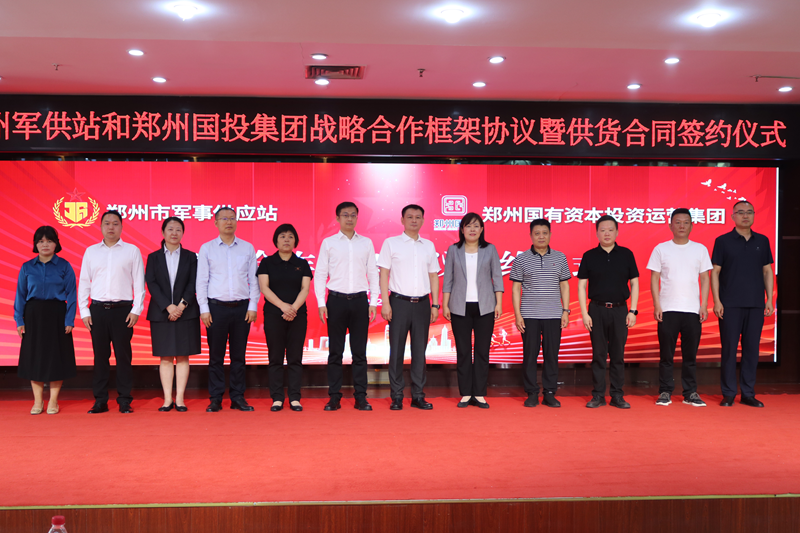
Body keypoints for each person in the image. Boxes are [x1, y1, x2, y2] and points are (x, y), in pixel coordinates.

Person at [79, 210, 145, 414]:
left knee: (123, 357)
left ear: (121, 227)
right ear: (100, 227)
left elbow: (139, 283)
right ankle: (100, 400)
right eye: (107, 223)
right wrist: (84, 311)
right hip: (97, 310)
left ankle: (124, 400)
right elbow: (84, 282)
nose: (111, 227)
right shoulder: (91, 251)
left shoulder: (132, 251)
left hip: (123, 311)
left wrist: (136, 309)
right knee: (100, 357)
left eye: (115, 223)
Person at [315, 202, 379, 411]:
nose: (349, 218)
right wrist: (321, 303)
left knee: (359, 352)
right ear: (337, 218)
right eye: (345, 215)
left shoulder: (366, 243)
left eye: (353, 215)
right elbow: (320, 274)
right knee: (335, 352)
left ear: (357, 218)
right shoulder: (329, 243)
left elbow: (373, 273)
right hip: (336, 301)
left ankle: (361, 397)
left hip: (360, 301)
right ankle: (334, 397)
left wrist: (373, 301)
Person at [711, 200, 775, 408]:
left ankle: (748, 393)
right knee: (729, 349)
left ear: (754, 215)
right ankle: (729, 393)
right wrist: (717, 300)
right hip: (730, 304)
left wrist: (769, 299)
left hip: (755, 304)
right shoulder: (723, 241)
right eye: (740, 212)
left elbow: (767, 271)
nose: (745, 216)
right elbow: (715, 272)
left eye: (749, 212)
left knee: (751, 350)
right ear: (733, 216)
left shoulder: (762, 241)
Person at [647, 208, 712, 407]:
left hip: (692, 310)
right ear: (670, 225)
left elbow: (705, 279)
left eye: (685, 222)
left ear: (692, 225)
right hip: (668, 309)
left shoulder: (700, 249)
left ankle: (690, 392)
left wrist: (703, 305)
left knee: (690, 355)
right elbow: (654, 278)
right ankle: (665, 391)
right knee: (666, 355)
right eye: (677, 222)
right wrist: (657, 304)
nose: (682, 226)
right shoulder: (661, 249)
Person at [196, 207, 259, 412]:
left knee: (238, 356)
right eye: (224, 218)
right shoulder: (207, 248)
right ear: (216, 223)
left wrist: (253, 305)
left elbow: (254, 280)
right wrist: (204, 308)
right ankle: (215, 398)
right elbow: (201, 281)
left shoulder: (247, 248)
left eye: (232, 218)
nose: (228, 222)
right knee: (216, 356)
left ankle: (237, 397)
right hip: (216, 309)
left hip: (242, 308)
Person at [378, 204, 440, 410]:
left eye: (418, 217)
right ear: (402, 220)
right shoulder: (391, 243)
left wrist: (435, 304)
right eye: (410, 217)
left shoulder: (428, 246)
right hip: (398, 303)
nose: (414, 220)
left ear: (423, 220)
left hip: (422, 304)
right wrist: (385, 303)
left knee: (419, 352)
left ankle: (418, 395)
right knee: (396, 350)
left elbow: (433, 276)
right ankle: (396, 395)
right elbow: (384, 274)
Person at [442, 213, 504, 408]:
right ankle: (466, 393)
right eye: (468, 226)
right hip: (459, 306)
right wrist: (445, 304)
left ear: (482, 229)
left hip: (485, 306)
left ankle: (479, 393)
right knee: (463, 351)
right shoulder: (454, 250)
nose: (472, 229)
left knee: (482, 350)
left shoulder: (490, 249)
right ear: (462, 229)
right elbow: (448, 279)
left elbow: (497, 277)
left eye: (476, 226)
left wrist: (499, 303)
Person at [577, 215, 639, 409]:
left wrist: (633, 310)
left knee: (618, 355)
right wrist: (585, 314)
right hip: (596, 310)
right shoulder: (589, 256)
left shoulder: (626, 254)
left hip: (620, 310)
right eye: (602, 230)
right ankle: (597, 395)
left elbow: (635, 283)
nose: (606, 233)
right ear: (597, 233)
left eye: (610, 230)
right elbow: (581, 286)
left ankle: (617, 395)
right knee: (598, 354)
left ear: (617, 232)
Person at [14, 226, 77, 415]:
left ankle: (54, 401)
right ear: (35, 244)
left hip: (57, 314)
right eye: (40, 241)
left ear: (56, 244)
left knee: (56, 358)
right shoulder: (27, 267)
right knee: (35, 357)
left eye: (49, 241)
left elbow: (72, 295)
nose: (45, 245)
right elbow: (20, 295)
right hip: (33, 315)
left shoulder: (64, 266)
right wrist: (19, 320)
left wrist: (69, 319)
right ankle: (38, 401)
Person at [510, 218, 571, 408]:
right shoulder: (521, 259)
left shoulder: (560, 257)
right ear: (531, 235)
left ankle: (550, 393)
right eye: (537, 233)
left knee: (551, 355)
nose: (541, 236)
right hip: (529, 315)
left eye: (545, 233)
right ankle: (532, 393)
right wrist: (518, 315)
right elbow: (515, 289)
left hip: (553, 314)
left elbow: (564, 285)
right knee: (530, 355)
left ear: (550, 235)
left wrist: (566, 311)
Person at [145, 217, 201, 412]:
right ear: (163, 233)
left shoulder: (191, 257)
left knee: (183, 356)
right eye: (170, 229)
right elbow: (151, 283)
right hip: (161, 313)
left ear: (183, 233)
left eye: (178, 229)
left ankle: (180, 399)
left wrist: (181, 306)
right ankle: (167, 399)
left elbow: (193, 283)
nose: (174, 233)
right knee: (166, 357)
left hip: (186, 312)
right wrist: (168, 306)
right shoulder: (153, 257)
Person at [258, 224, 313, 412]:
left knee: (295, 357)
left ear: (295, 241)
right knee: (275, 357)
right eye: (282, 236)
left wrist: (293, 309)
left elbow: (305, 289)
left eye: (290, 236)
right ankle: (277, 398)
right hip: (274, 315)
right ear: (276, 241)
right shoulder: (267, 263)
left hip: (298, 315)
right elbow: (264, 288)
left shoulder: (302, 264)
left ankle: (295, 397)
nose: (286, 239)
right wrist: (283, 306)